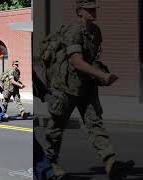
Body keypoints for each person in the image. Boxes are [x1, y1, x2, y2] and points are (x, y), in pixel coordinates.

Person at [43, 0, 133, 179]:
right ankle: (49, 163)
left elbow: (91, 59)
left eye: (94, 8)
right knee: (56, 127)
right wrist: (102, 76)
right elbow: (75, 61)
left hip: (86, 86)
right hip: (66, 87)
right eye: (88, 9)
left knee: (94, 123)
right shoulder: (73, 31)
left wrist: (101, 73)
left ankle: (110, 162)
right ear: (80, 12)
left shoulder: (96, 32)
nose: (93, 11)